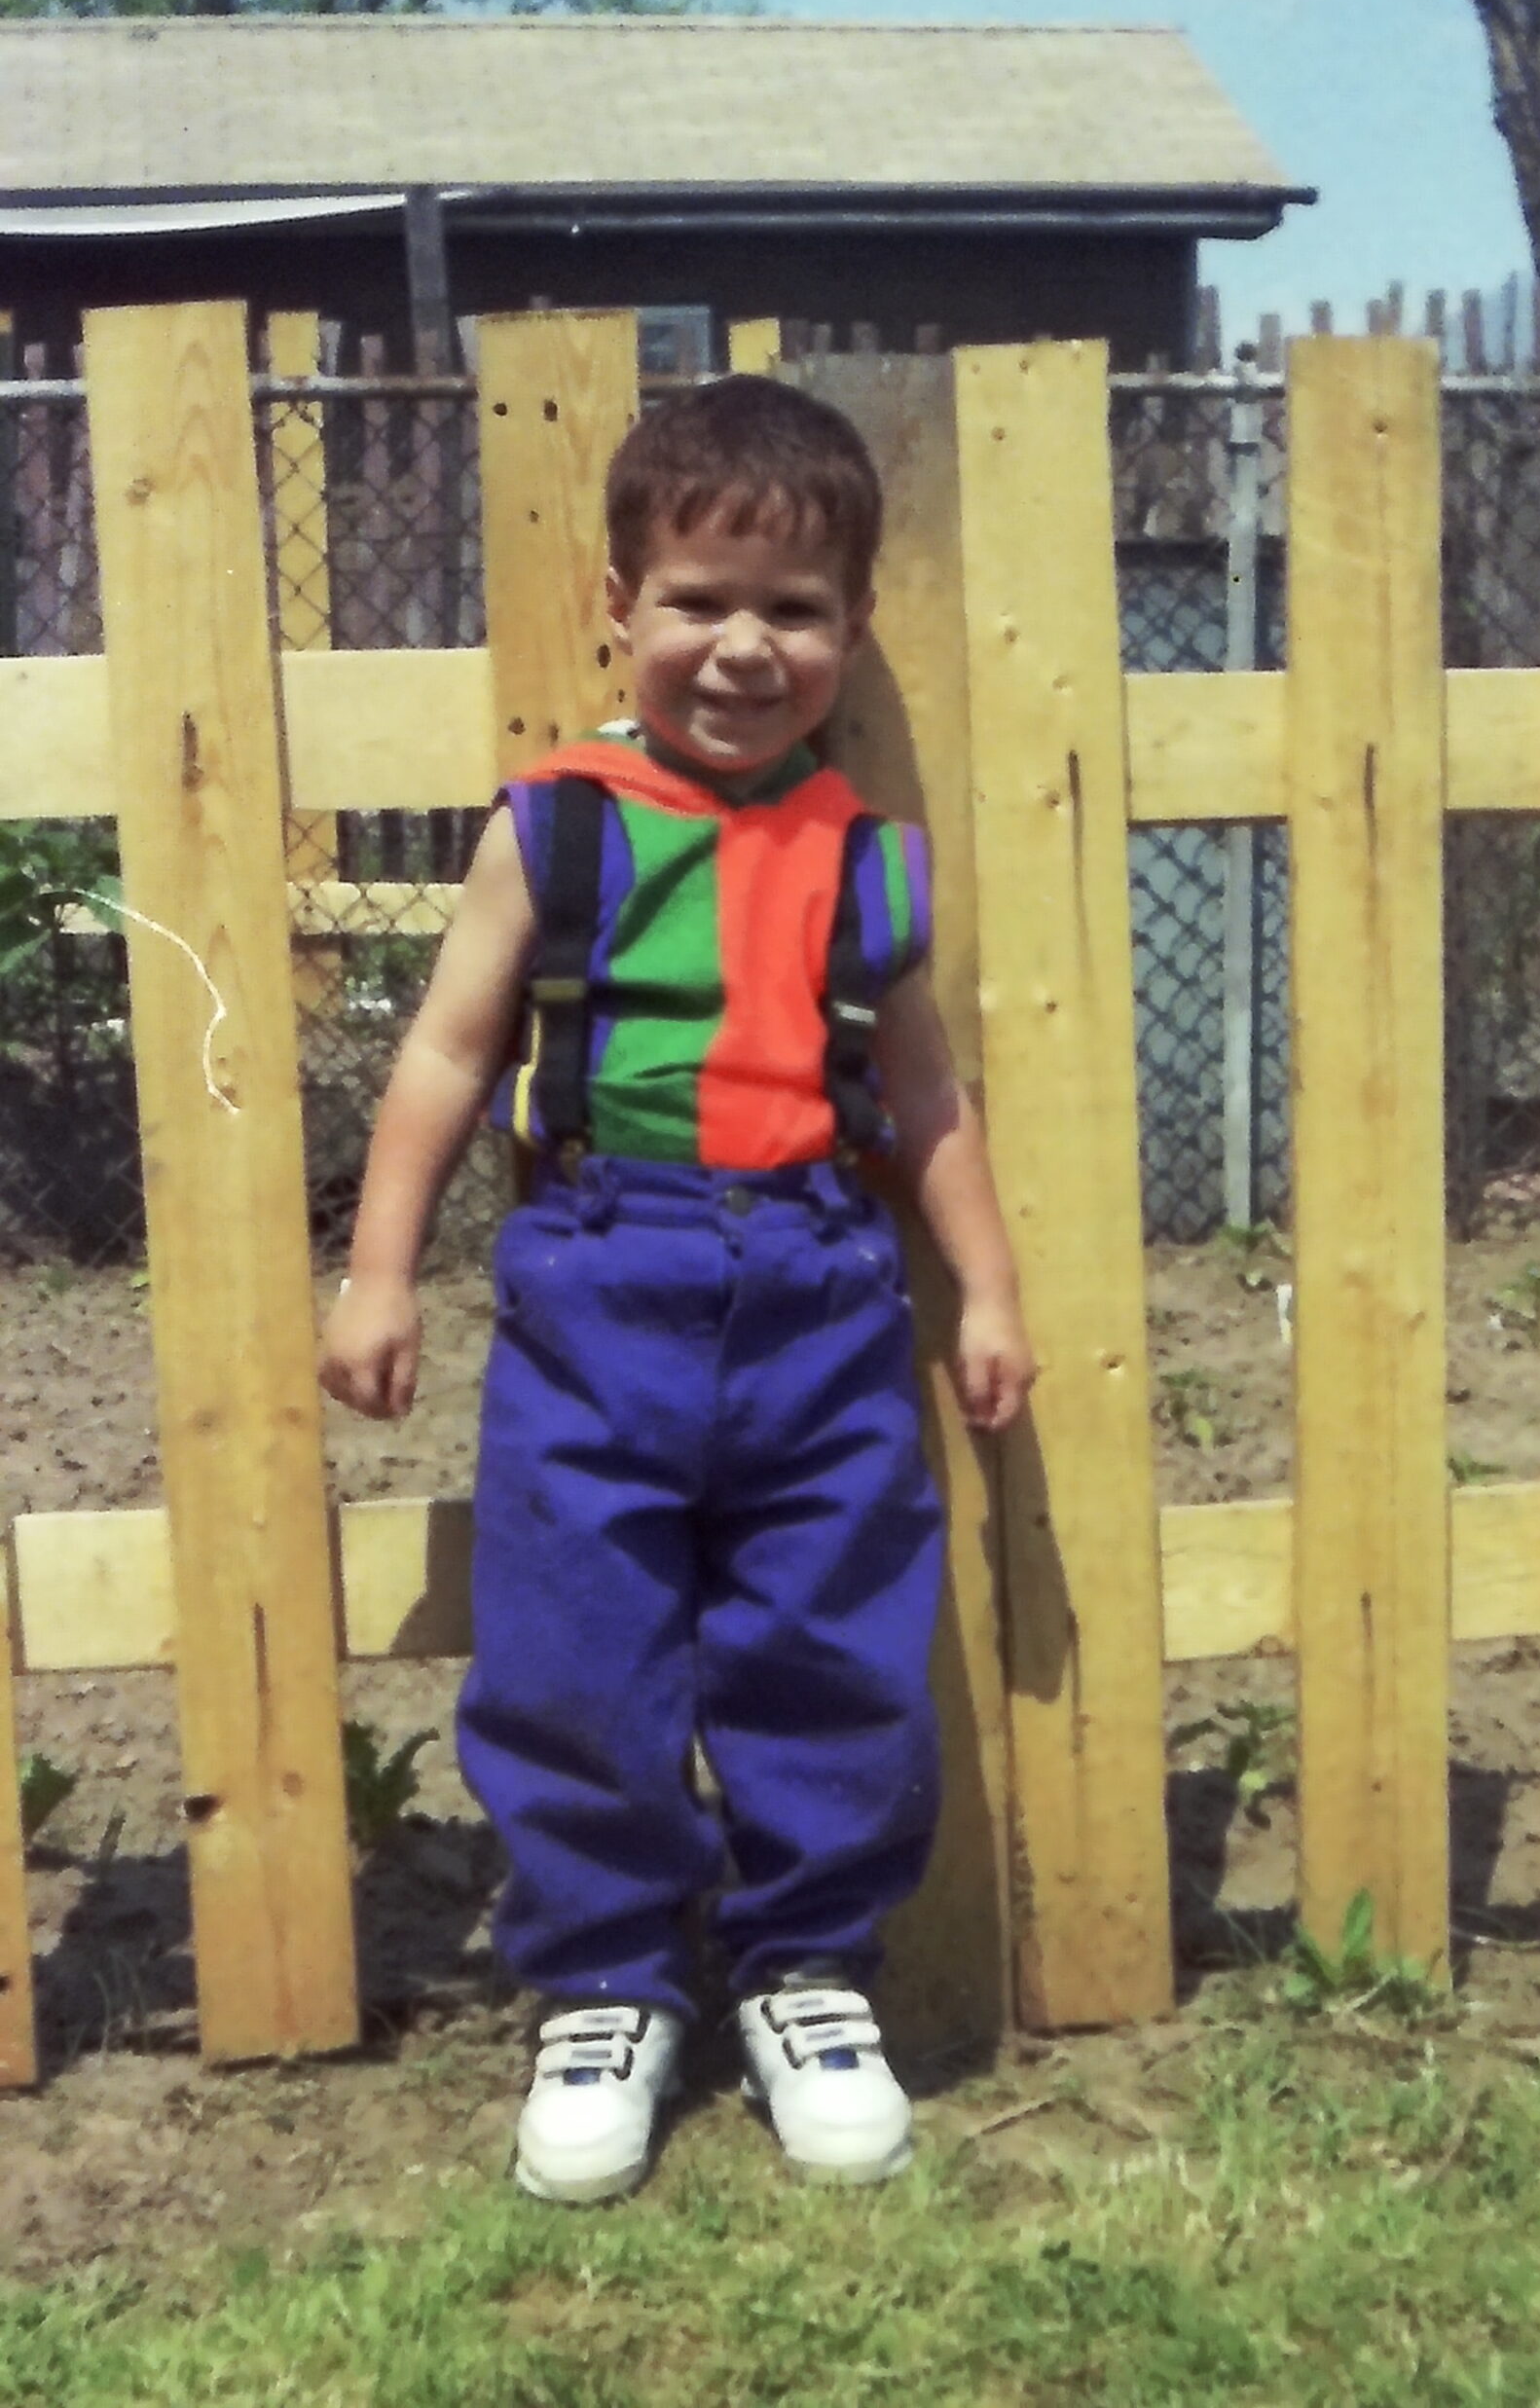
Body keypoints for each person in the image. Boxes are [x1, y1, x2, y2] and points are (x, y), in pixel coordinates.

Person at [318, 375, 1037, 2205]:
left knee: (832, 1641)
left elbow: (927, 1098)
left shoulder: (868, 859)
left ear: (851, 627)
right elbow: (443, 1057)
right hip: (598, 1284)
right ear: (618, 608)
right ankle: (606, 1987)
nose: (742, 648)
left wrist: (985, 1292)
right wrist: (381, 1272)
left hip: (820, 1292)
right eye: (699, 601)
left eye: (793, 610)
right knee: (577, 1644)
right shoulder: (556, 830)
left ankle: (809, 1974)